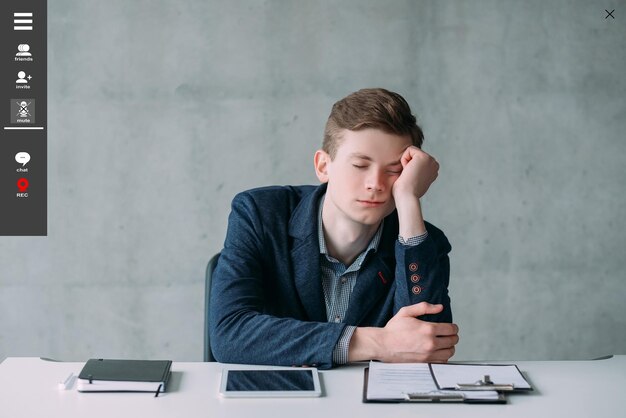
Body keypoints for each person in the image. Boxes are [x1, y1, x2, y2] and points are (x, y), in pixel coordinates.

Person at [209, 88, 459, 369]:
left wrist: (408, 200)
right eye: (360, 165)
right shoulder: (260, 213)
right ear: (323, 166)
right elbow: (229, 333)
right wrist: (379, 342)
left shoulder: (422, 243)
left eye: (394, 171)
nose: (375, 183)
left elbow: (427, 346)